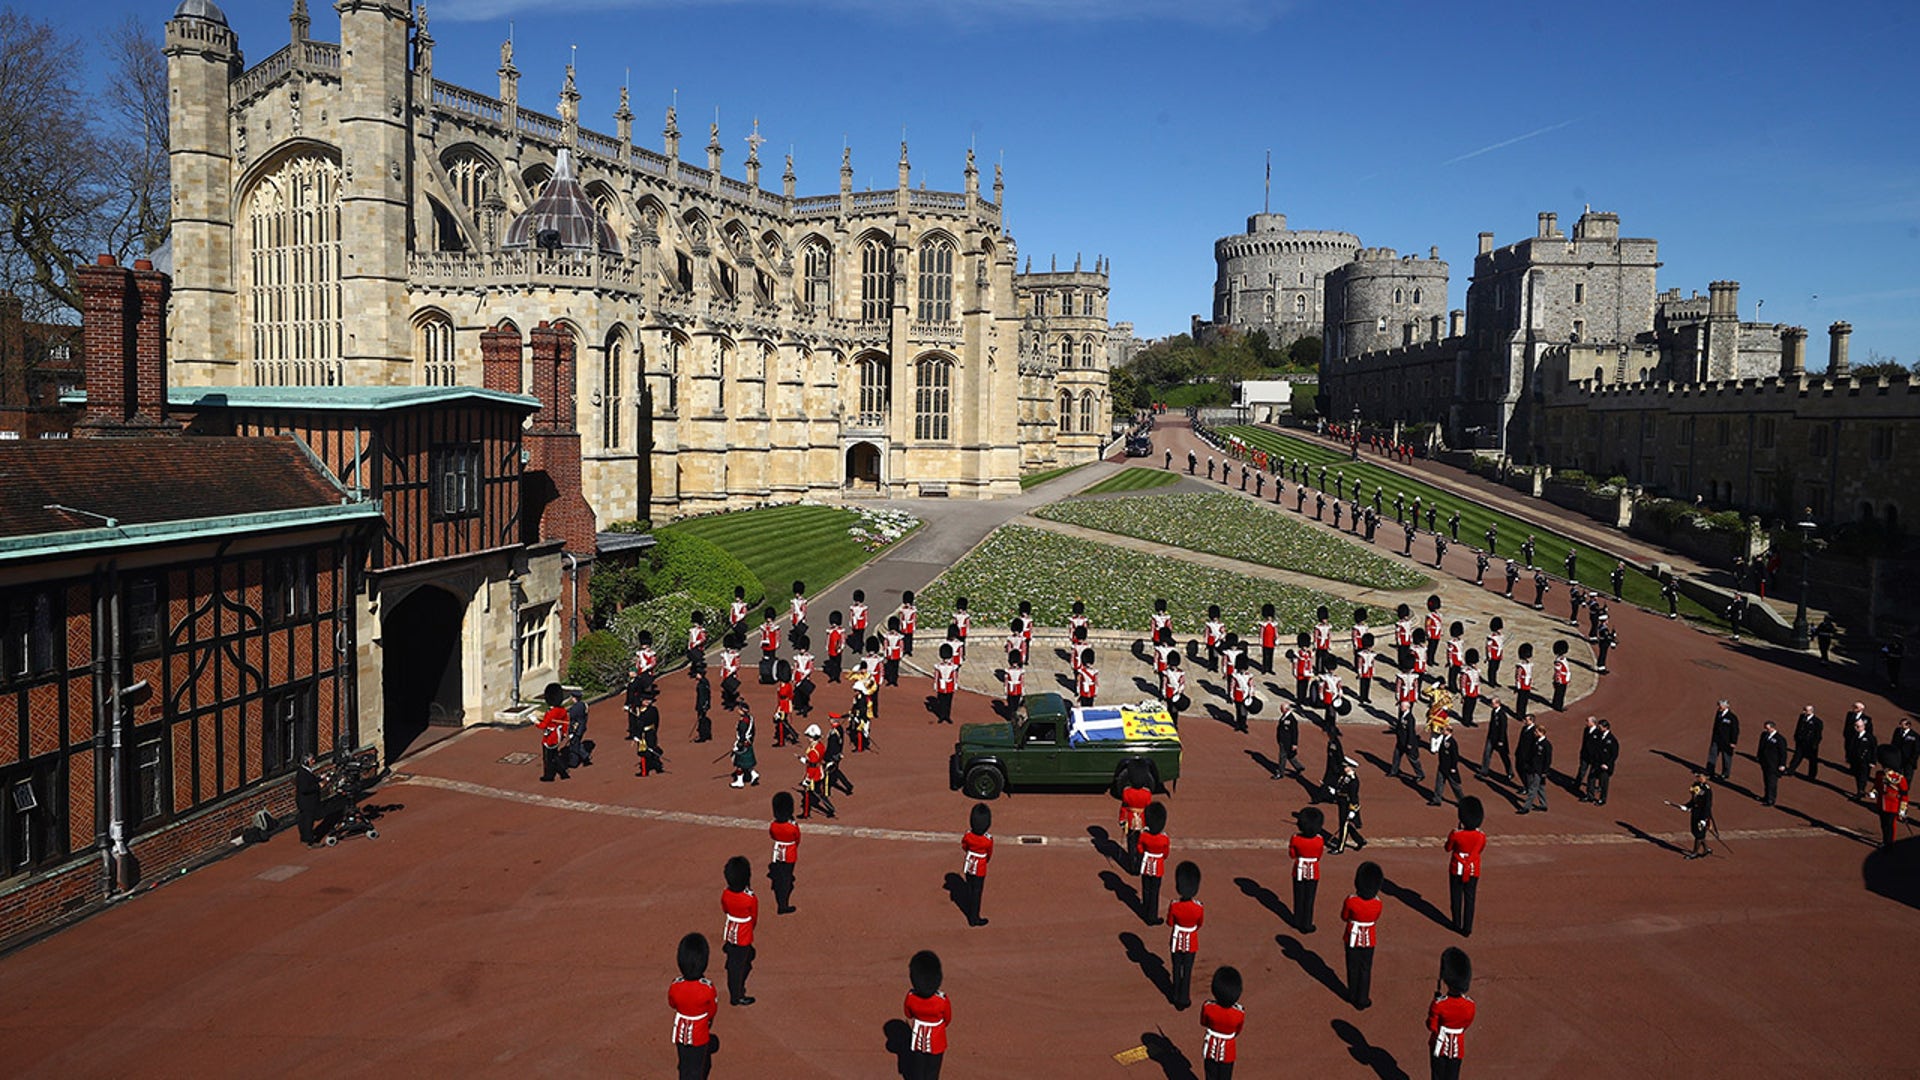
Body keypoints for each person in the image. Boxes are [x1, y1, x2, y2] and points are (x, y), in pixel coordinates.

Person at [669, 933, 719, 1080]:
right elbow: (711, 1012)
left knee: (684, 1067)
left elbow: (672, 1003)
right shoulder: (707, 988)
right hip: (700, 1033)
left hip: (680, 1031)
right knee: (697, 1069)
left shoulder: (675, 985)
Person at [1428, 947, 1477, 1080]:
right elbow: (1466, 1024)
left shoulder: (1439, 1004)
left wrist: (1434, 1002)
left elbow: (1432, 1026)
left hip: (1439, 1044)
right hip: (1458, 1046)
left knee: (1437, 1075)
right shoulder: (1470, 1005)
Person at [1341, 861, 1384, 1010]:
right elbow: (1376, 917)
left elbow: (1344, 916)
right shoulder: (1378, 903)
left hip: (1352, 936)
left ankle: (1352, 994)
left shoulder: (1351, 900)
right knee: (1365, 968)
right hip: (1369, 938)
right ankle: (1363, 998)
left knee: (1352, 966)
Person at [903, 951, 951, 1080]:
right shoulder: (941, 1000)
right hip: (937, 1038)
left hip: (918, 1036)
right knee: (932, 1071)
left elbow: (908, 1014)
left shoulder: (911, 997)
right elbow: (947, 1019)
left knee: (918, 1068)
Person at [1444, 797, 1486, 937]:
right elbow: (1480, 850)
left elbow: (1448, 848)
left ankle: (1456, 923)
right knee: (1470, 898)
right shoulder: (1481, 836)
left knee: (1456, 897)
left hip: (1457, 868)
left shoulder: (1456, 834)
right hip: (1473, 869)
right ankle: (1467, 928)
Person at [720, 855, 759, 1006]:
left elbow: (725, 909)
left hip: (730, 930)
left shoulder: (726, 894)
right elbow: (753, 917)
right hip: (743, 933)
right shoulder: (750, 898)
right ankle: (737, 996)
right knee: (738, 967)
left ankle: (735, 992)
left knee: (734, 962)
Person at [1168, 860, 1205, 1009]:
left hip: (1177, 938)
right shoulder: (1198, 908)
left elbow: (1170, 922)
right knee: (1187, 970)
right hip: (1191, 940)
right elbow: (1199, 924)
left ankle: (1175, 995)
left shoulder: (1174, 905)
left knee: (1176, 967)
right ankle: (1184, 997)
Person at [1200, 966, 1246, 1080]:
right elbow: (1237, 1030)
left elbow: (1203, 1022)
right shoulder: (1239, 1013)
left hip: (1211, 1046)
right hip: (1228, 1050)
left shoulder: (1208, 1007)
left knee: (1210, 1074)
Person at [1289, 806, 1325, 933]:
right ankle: (1307, 923)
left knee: (1298, 896)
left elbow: (1292, 855)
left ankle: (1297, 920)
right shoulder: (1319, 840)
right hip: (1313, 870)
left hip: (1298, 869)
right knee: (1309, 899)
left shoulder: (1295, 838)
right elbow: (1319, 856)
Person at [1138, 801, 1171, 924]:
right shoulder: (1164, 838)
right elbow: (1165, 853)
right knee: (1155, 891)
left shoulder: (1144, 836)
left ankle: (1145, 910)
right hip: (1158, 865)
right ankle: (1152, 916)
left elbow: (1140, 848)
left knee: (1146, 888)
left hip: (1146, 863)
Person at [768, 791, 801, 914]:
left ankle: (782, 900)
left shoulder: (773, 825)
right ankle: (783, 905)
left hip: (777, 852)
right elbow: (797, 838)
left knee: (781, 876)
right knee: (786, 880)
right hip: (790, 853)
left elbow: (772, 836)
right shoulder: (792, 826)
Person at [961, 803, 993, 927]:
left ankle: (970, 909)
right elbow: (989, 854)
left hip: (969, 863)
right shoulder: (987, 840)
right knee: (977, 892)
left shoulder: (968, 835)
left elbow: (964, 846)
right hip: (980, 866)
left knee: (970, 886)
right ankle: (974, 918)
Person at [293, 753, 330, 846]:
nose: (314, 761)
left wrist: (320, 778)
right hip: (307, 802)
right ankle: (310, 841)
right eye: (312, 760)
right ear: (306, 761)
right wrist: (319, 786)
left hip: (307, 802)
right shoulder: (302, 774)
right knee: (308, 821)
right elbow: (305, 788)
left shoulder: (306, 771)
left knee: (306, 820)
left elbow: (311, 780)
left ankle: (305, 838)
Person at [1330, 757, 1366, 852]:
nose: (1344, 768)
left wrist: (1353, 810)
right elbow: (1341, 787)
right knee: (1344, 824)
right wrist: (1335, 792)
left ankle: (1340, 848)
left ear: (1351, 768)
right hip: (1342, 803)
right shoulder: (1345, 776)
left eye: (1346, 767)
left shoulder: (1353, 781)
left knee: (1344, 826)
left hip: (1348, 805)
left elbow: (1353, 797)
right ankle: (1360, 840)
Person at [537, 682, 571, 782]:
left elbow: (543, 725)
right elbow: (565, 722)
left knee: (548, 758)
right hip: (558, 735)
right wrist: (564, 733)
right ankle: (563, 773)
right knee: (555, 755)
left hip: (549, 737)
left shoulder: (551, 713)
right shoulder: (562, 710)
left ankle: (549, 775)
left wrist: (534, 720)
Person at [1517, 720, 1551, 814]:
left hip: (1539, 770)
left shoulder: (1546, 745)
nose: (1535, 733)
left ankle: (1526, 807)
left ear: (1541, 732)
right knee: (1540, 788)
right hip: (1534, 768)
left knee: (1533, 788)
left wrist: (1545, 772)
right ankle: (1543, 805)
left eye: (1536, 732)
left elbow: (1548, 760)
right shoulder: (1537, 742)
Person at [1390, 698, 1427, 783]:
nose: (1400, 707)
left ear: (1407, 707)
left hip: (1408, 742)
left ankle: (1420, 774)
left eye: (1402, 706)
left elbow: (1411, 732)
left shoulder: (1410, 718)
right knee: (1396, 757)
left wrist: (1409, 743)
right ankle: (1394, 771)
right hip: (1401, 741)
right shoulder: (1402, 716)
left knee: (1412, 759)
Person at [1874, 761, 1910, 847]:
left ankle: (1889, 843)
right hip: (1882, 804)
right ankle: (1885, 840)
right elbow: (1877, 787)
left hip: (1893, 805)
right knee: (1883, 825)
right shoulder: (1879, 774)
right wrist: (1874, 793)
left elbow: (1904, 796)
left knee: (1890, 826)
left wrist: (1902, 810)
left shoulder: (1899, 779)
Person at [1428, 721, 1464, 807]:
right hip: (1442, 765)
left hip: (1449, 767)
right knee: (1439, 783)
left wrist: (1453, 767)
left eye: (1444, 730)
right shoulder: (1444, 740)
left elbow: (1455, 756)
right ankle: (1437, 799)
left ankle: (1462, 801)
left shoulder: (1452, 742)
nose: (1442, 731)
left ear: (1449, 731)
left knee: (1455, 785)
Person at [1679, 772, 1714, 859]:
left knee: (1699, 834)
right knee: (1694, 831)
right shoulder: (1695, 785)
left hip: (1702, 813)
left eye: (1701, 776)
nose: (1699, 778)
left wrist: (1704, 818)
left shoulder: (1707, 790)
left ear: (1706, 778)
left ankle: (1695, 853)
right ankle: (1706, 849)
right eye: (1698, 776)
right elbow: (1694, 800)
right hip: (1695, 811)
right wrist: (1687, 806)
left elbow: (1707, 805)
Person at [1477, 700, 1514, 781]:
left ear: (1498, 704)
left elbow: (1503, 728)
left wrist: (1501, 740)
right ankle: (1484, 771)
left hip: (1499, 739)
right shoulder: (1493, 711)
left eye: (1493, 703)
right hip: (1491, 738)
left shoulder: (1502, 714)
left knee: (1504, 756)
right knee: (1486, 754)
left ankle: (1510, 772)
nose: (1491, 705)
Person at [1845, 708, 1878, 799]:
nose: (1856, 728)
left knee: (1863, 776)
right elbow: (1851, 747)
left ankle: (1860, 791)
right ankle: (1860, 790)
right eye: (1855, 726)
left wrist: (1873, 761)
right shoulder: (1854, 736)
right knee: (1857, 775)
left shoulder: (1870, 738)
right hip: (1856, 759)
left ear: (1863, 726)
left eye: (1858, 726)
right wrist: (1849, 757)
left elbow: (1874, 749)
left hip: (1865, 760)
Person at [1585, 719, 1617, 805]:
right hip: (1596, 763)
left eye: (1600, 727)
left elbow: (1614, 755)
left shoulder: (1612, 740)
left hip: (1604, 765)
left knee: (1603, 783)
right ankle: (1590, 796)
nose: (1598, 728)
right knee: (1591, 779)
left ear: (1605, 727)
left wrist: (1607, 764)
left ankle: (1602, 799)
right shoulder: (1599, 735)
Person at [1706, 699, 1740, 781]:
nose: (1719, 707)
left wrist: (1733, 742)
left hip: (1727, 742)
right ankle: (1710, 771)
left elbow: (1735, 730)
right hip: (1716, 740)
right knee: (1712, 755)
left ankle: (1725, 774)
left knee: (1726, 758)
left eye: (1720, 705)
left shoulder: (1732, 717)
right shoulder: (1718, 714)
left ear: (1726, 706)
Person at [729, 707, 760, 788]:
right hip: (748, 743)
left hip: (742, 744)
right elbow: (753, 731)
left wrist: (738, 745)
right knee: (748, 764)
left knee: (739, 764)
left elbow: (742, 734)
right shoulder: (750, 718)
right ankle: (754, 774)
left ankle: (740, 781)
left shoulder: (743, 722)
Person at [931, 644, 959, 724]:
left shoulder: (953, 666)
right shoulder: (938, 666)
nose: (946, 660)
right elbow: (936, 676)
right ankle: (942, 716)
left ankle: (947, 716)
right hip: (941, 685)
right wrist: (936, 684)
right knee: (941, 701)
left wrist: (955, 684)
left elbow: (954, 676)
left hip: (949, 686)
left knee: (948, 702)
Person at [1512, 642, 1535, 720]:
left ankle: (1523, 713)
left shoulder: (1529, 664)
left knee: (1525, 700)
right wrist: (1517, 686)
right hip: (1522, 685)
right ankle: (1519, 714)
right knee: (1521, 701)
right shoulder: (1520, 666)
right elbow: (1518, 676)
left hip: (1527, 685)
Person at [1893, 718, 1919, 785]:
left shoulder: (1915, 736)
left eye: (1903, 724)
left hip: (1909, 761)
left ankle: (1904, 791)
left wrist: (1911, 760)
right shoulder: (1897, 731)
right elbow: (1893, 743)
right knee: (1896, 774)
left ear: (1908, 725)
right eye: (1900, 724)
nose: (1901, 726)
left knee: (1907, 777)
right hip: (1898, 758)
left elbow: (1917, 750)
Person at [1355, 633, 1378, 705]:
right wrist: (1359, 672)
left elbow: (1373, 662)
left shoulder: (1372, 654)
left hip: (1369, 670)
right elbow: (1359, 663)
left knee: (1368, 684)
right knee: (1363, 685)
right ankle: (1362, 697)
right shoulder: (1361, 654)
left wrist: (1373, 670)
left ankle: (1366, 697)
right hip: (1363, 671)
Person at [1550, 640, 1571, 713]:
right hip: (1561, 680)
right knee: (1560, 693)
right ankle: (1558, 706)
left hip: (1564, 678)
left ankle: (1557, 704)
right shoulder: (1558, 661)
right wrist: (1558, 680)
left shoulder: (1562, 659)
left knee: (1561, 693)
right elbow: (1558, 672)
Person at [899, 590, 919, 656]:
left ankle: (909, 650)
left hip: (910, 625)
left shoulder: (913, 609)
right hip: (904, 625)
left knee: (909, 638)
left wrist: (914, 625)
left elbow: (914, 618)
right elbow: (901, 617)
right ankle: (905, 649)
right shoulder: (902, 609)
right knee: (904, 637)